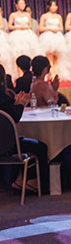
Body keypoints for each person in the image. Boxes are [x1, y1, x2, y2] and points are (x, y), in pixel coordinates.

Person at [0, 65, 49, 193]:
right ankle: (37, 184)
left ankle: (20, 181)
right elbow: (15, 118)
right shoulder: (4, 99)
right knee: (40, 147)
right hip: (6, 146)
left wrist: (15, 105)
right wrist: (21, 105)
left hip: (5, 144)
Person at [7, 0, 40, 64]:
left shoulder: (27, 14)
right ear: (16, 5)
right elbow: (9, 26)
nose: (23, 5)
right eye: (21, 3)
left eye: (24, 3)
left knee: (29, 51)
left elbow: (30, 25)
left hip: (27, 34)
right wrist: (19, 27)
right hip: (17, 34)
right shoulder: (13, 14)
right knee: (17, 52)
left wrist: (25, 27)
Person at [38, 0, 67, 74]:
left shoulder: (58, 16)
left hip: (57, 36)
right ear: (48, 6)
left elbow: (61, 27)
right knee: (49, 55)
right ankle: (51, 73)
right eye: (52, 5)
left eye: (55, 6)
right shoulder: (44, 16)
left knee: (56, 56)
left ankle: (56, 72)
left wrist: (58, 29)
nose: (54, 7)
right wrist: (50, 29)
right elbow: (41, 28)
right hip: (48, 36)